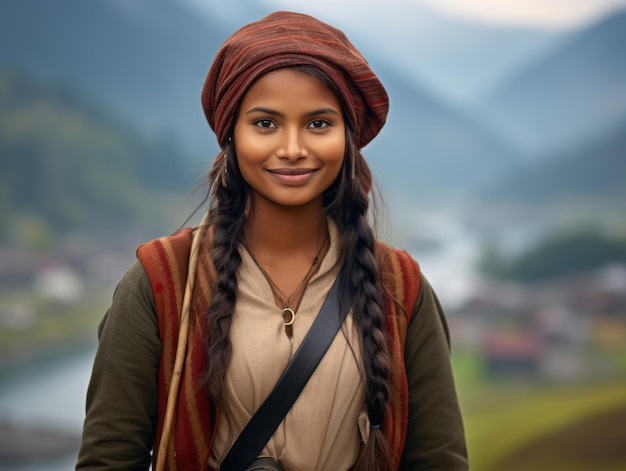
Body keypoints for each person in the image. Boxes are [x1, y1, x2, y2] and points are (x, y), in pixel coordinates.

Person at [76, 10, 468, 471]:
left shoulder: (400, 288)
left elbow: (438, 459)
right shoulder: (162, 282)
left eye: (319, 124)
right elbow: (109, 459)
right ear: (231, 136)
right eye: (265, 123)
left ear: (348, 138)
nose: (292, 148)